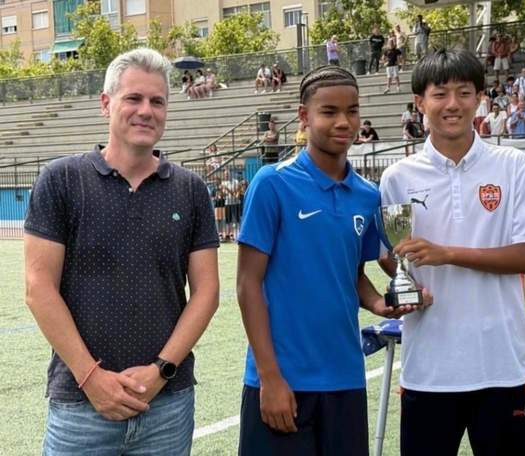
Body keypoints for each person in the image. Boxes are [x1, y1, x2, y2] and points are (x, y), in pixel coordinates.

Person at [24, 48, 220, 455]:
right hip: (79, 405)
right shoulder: (61, 180)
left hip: (167, 405)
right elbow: (38, 288)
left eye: (157, 101)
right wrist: (91, 378)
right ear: (106, 103)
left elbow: (206, 292)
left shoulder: (190, 190)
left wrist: (160, 371)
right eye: (134, 98)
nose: (146, 110)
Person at [236, 65, 424, 456]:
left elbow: (351, 271)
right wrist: (270, 377)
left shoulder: (367, 195)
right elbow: (247, 284)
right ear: (304, 116)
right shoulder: (272, 183)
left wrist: (379, 302)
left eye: (352, 111)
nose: (343, 122)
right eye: (329, 111)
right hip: (283, 379)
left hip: (344, 377)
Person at [379, 48, 525, 456]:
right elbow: (392, 257)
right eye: (440, 94)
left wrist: (447, 254)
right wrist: (407, 287)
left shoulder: (513, 165)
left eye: (464, 92)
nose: (452, 104)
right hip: (429, 369)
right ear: (420, 102)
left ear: (479, 98)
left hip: (501, 365)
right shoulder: (397, 177)